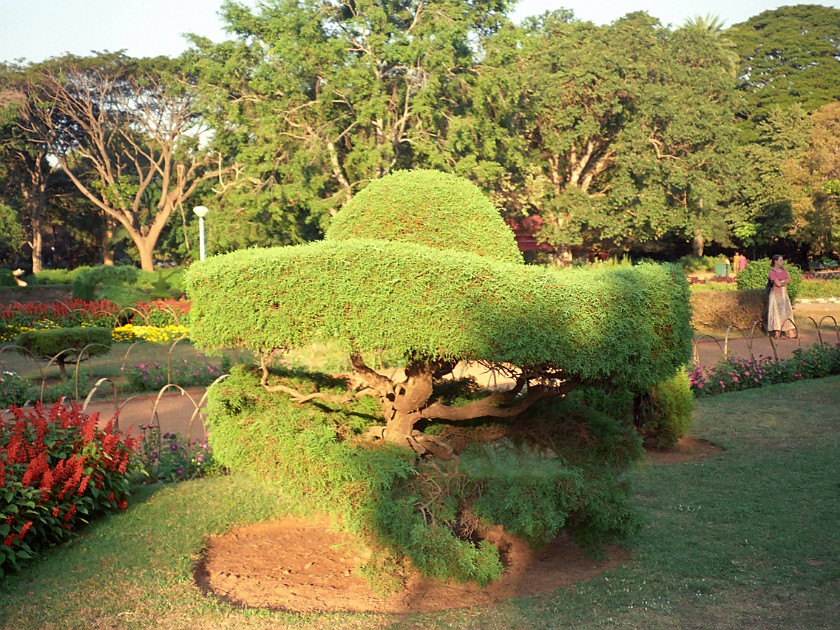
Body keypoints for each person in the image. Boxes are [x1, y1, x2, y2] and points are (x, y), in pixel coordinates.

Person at [767, 254, 796, 339]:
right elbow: (778, 284)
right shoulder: (772, 272)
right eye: (780, 260)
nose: (782, 262)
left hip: (784, 294)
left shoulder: (783, 270)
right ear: (775, 261)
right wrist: (785, 281)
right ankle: (777, 332)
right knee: (777, 312)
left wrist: (783, 281)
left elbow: (789, 279)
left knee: (787, 312)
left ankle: (790, 332)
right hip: (777, 295)